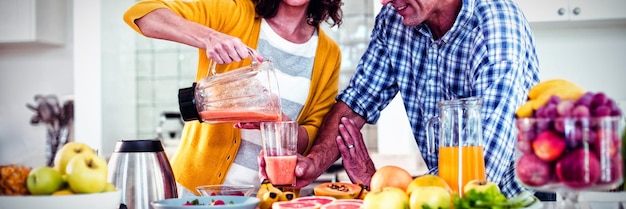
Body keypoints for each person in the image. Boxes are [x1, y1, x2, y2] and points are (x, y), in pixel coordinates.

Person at [267, 0, 541, 198]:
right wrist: (315, 161)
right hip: (436, 199)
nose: (384, 1)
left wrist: (386, 186)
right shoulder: (394, 19)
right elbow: (358, 100)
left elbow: (481, 172)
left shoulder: (496, 25)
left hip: (506, 200)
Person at [123, 0, 343, 196]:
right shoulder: (234, 12)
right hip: (199, 194)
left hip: (269, 198)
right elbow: (143, 14)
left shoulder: (329, 53)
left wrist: (276, 120)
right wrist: (210, 37)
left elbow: (314, 134)